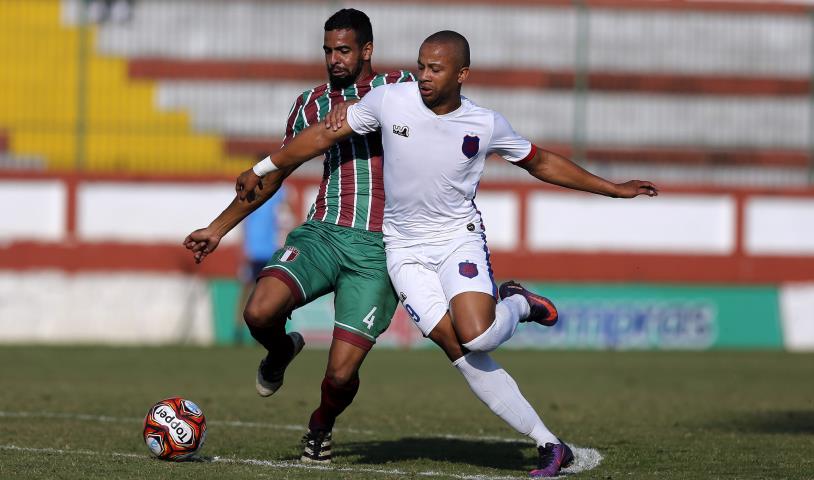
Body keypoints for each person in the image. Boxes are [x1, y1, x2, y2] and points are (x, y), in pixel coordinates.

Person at [233, 30, 658, 477]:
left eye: (435, 69)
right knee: (457, 346)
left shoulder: (485, 123)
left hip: (458, 240)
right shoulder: (391, 101)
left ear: (462, 74)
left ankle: (517, 302)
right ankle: (550, 444)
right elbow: (321, 135)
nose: (424, 76)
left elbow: (541, 161)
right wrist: (262, 166)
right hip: (403, 251)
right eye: (421, 66)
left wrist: (610, 188)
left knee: (479, 335)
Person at [183, 9, 414, 463]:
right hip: (323, 234)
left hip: (379, 248)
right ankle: (282, 348)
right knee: (259, 311)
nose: (334, 59)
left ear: (367, 50)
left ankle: (320, 427)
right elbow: (276, 173)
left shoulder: (401, 88)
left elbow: (446, 93)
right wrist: (217, 228)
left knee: (342, 374)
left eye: (344, 50)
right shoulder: (310, 104)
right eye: (328, 50)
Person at [235, 184, 291, 345]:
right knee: (246, 291)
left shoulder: (280, 191)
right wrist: (243, 249)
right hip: (253, 250)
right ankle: (239, 329)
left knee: (267, 293)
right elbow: (243, 221)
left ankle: (261, 332)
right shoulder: (251, 190)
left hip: (271, 249)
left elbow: (287, 216)